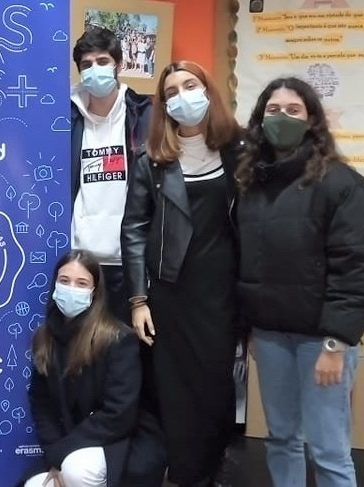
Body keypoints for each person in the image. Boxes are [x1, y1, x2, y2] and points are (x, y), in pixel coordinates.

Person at [236, 77, 364, 486]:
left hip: (321, 341)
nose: (281, 117)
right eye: (273, 110)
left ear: (312, 120)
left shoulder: (342, 184)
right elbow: (247, 261)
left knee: (328, 449)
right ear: (259, 118)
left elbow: (359, 268)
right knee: (281, 439)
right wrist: (250, 327)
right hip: (270, 337)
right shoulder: (251, 184)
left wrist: (337, 342)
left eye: (293, 110)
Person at [121, 61, 244, 486]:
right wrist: (138, 300)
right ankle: (184, 474)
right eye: (171, 92)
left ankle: (211, 468)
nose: (181, 97)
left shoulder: (238, 151)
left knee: (216, 386)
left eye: (189, 85)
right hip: (170, 293)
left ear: (208, 90)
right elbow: (133, 229)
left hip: (222, 293)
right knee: (174, 390)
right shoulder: (152, 160)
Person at [21, 250, 165, 487]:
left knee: (76, 470)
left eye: (81, 283)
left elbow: (119, 414)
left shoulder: (118, 339)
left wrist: (63, 453)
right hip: (66, 444)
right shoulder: (44, 337)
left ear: (95, 292)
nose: (71, 288)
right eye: (64, 280)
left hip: (116, 442)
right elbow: (41, 403)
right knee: (34, 485)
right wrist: (54, 452)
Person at [70, 26, 152, 324]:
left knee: (126, 345)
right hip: (80, 260)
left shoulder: (144, 115)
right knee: (80, 344)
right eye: (87, 64)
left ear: (118, 64)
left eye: (102, 61)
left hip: (129, 261)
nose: (95, 69)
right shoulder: (65, 117)